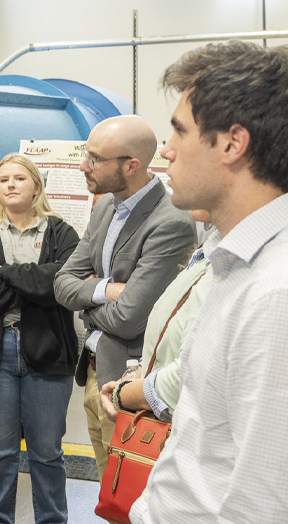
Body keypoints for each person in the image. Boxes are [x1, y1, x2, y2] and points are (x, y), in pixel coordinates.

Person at [129, 42, 288, 523]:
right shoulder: (237, 263)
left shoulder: (274, 292)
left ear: (232, 143)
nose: (166, 149)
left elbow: (261, 504)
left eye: (180, 131)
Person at [53, 115, 196, 480]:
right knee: (108, 494)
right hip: (93, 370)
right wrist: (105, 291)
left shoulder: (170, 222)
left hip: (127, 384)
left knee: (130, 497)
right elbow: (62, 282)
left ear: (131, 166)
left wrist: (87, 307)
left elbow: (129, 317)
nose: (84, 166)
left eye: (95, 159)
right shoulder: (105, 206)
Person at [0, 154, 80, 524]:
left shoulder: (62, 233)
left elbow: (62, 285)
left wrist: (5, 273)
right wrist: (33, 286)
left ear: (36, 187)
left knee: (46, 451)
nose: (10, 185)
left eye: (19, 178)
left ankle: (52, 520)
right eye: (3, 179)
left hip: (49, 349)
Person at [99, 211, 214, 422]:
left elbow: (188, 380)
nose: (171, 175)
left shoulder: (229, 264)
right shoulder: (210, 253)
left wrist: (124, 395)